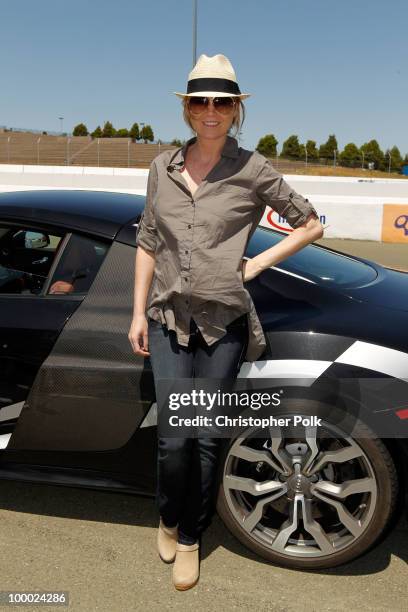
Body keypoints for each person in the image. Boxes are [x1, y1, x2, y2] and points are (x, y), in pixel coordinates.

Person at [128, 53, 324, 591]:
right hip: (168, 317)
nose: (210, 111)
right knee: (173, 438)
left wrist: (256, 263)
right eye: (200, 101)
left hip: (224, 323)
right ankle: (168, 516)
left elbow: (310, 223)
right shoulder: (161, 167)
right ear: (188, 109)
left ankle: (191, 536)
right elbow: (148, 240)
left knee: (207, 437)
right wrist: (136, 312)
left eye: (222, 102)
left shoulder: (252, 169)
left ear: (235, 110)